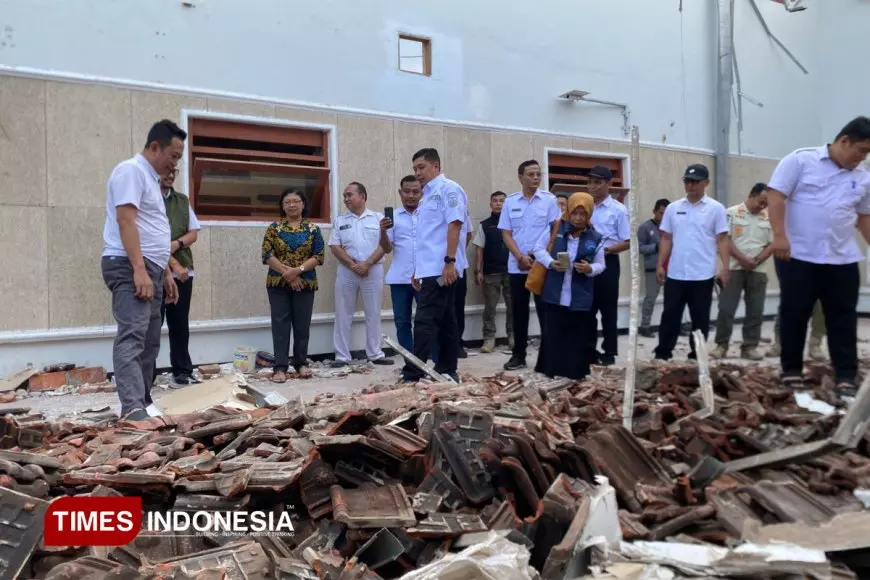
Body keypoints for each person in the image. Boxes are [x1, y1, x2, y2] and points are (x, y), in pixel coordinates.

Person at [766, 116, 870, 394]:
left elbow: (865, 217)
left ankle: (846, 375)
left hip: (842, 258)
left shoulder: (863, 177)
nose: (862, 158)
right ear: (844, 140)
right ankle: (790, 371)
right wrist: (779, 236)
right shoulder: (801, 161)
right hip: (797, 255)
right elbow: (775, 196)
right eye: (861, 150)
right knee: (794, 313)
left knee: (843, 317)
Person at [101, 119, 184, 422]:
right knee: (133, 336)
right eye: (173, 156)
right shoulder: (131, 171)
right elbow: (126, 221)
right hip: (128, 265)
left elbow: (151, 230)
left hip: (150, 267)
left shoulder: (151, 179)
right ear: (154, 147)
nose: (175, 163)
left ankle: (144, 401)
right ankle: (132, 408)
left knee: (150, 340)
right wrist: (139, 269)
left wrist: (162, 272)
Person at [401, 148, 468, 383]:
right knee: (447, 320)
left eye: (421, 167)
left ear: (435, 166)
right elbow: (426, 236)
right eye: (414, 169)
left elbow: (455, 226)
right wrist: (416, 270)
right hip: (429, 269)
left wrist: (450, 262)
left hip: (441, 268)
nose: (417, 173)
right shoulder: (426, 195)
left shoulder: (448, 190)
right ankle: (448, 368)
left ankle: (413, 373)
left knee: (424, 321)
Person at [654, 164, 730, 361]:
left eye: (695, 181)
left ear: (706, 183)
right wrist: (660, 264)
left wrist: (725, 268)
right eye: (687, 181)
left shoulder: (715, 209)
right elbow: (666, 238)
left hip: (702, 274)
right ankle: (663, 352)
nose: (690, 185)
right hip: (676, 272)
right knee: (670, 315)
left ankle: (697, 354)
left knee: (700, 318)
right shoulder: (673, 208)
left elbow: (722, 239)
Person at [534, 192, 605, 380]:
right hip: (555, 291)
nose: (578, 218)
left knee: (576, 335)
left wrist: (589, 268)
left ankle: (574, 372)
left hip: (579, 294)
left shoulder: (595, 237)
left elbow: (601, 264)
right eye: (575, 213)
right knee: (553, 332)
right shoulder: (555, 228)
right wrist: (550, 263)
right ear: (569, 211)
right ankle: (551, 370)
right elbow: (538, 249)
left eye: (583, 214)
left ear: (589, 214)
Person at [498, 160, 561, 370]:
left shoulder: (549, 201)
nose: (535, 178)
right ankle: (519, 356)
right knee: (518, 312)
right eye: (531, 174)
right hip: (517, 266)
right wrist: (519, 256)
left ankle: (549, 356)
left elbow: (555, 231)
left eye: (538, 174)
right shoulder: (510, 202)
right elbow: (506, 233)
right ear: (520, 178)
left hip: (541, 266)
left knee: (546, 311)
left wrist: (539, 256)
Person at [262, 189, 325, 383]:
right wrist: (287, 274)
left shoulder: (313, 229)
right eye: (287, 202)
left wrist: (297, 271)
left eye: (296, 201)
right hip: (277, 283)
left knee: (302, 325)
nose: (291, 205)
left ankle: (301, 363)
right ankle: (280, 367)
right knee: (280, 325)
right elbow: (266, 255)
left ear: (303, 204)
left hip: (305, 283)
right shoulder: (274, 228)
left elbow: (319, 256)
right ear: (282, 206)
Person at [328, 182, 392, 367]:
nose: (346, 199)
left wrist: (368, 264)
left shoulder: (378, 219)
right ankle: (342, 356)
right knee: (343, 312)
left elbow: (385, 246)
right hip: (347, 271)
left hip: (372, 270)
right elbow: (334, 246)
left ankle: (375, 353)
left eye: (350, 195)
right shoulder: (340, 220)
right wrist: (353, 265)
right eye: (344, 196)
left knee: (373, 313)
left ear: (362, 196)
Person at [711, 183, 773, 360]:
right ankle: (721, 345)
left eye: (766, 203)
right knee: (726, 308)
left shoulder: (767, 217)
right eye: (761, 201)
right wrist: (742, 259)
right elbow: (724, 240)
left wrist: (758, 259)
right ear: (751, 196)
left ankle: (750, 347)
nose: (763, 206)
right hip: (734, 269)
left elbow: (771, 244)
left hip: (758, 270)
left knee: (755, 309)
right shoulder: (731, 213)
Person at [158, 166, 201, 387]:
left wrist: (175, 244)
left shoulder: (182, 200)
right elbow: (147, 240)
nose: (170, 174)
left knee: (180, 324)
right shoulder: (146, 198)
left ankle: (182, 372)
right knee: (151, 325)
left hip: (183, 272)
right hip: (153, 270)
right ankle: (145, 376)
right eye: (166, 170)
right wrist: (171, 260)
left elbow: (194, 232)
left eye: (174, 171)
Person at [587, 166, 630, 366]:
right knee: (587, 309)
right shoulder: (584, 206)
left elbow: (627, 241)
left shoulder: (618, 210)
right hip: (584, 262)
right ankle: (588, 349)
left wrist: (605, 251)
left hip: (607, 262)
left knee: (607, 309)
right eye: (590, 182)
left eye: (597, 182)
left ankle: (609, 351)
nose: (592, 186)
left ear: (608, 184)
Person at [379, 176, 422, 353]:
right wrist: (382, 231)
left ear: (422, 193)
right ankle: (410, 363)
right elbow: (387, 248)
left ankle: (433, 362)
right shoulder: (393, 217)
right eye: (407, 191)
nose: (411, 195)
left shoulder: (429, 215)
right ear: (400, 193)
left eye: (415, 191)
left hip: (424, 278)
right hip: (399, 279)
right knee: (402, 322)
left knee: (427, 321)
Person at [473, 191, 513, 353]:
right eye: (495, 201)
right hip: (491, 273)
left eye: (502, 201)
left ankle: (513, 336)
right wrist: (478, 271)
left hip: (512, 272)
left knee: (513, 306)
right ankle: (489, 339)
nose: (498, 204)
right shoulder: (485, 225)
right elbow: (479, 249)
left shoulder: (514, 223)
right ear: (490, 204)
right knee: (490, 307)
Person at [638, 199, 669, 337]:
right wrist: (655, 247)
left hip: (671, 269)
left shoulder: (670, 228)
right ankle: (645, 326)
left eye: (666, 214)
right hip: (653, 268)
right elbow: (639, 247)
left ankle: (675, 326)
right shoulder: (645, 227)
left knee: (674, 299)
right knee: (650, 298)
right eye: (661, 213)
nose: (663, 217)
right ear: (654, 211)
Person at [453, 212, 474, 359]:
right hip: (435, 270)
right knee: (436, 308)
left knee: (458, 308)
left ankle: (457, 344)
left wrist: (458, 254)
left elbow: (468, 235)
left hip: (458, 269)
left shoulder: (461, 213)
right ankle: (436, 344)